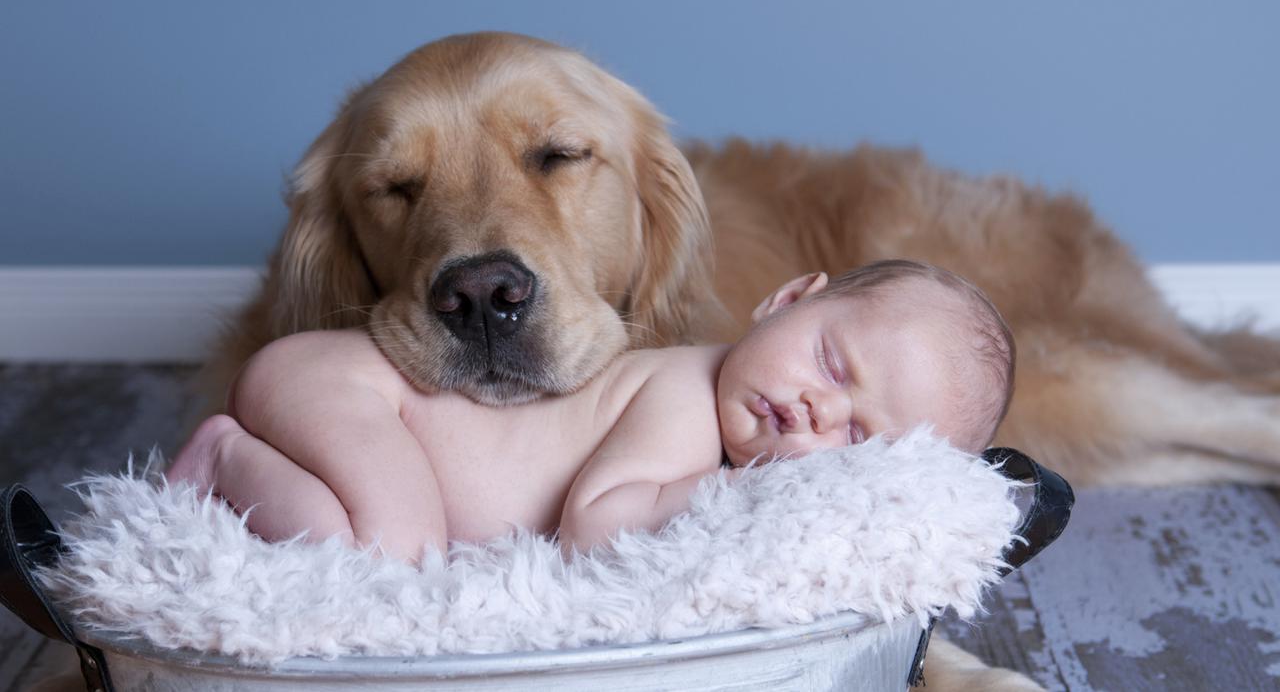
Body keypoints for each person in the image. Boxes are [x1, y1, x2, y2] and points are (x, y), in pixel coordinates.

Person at [167, 259, 1015, 562]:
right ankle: (220, 458)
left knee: (365, 539)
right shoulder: (686, 395)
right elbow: (596, 524)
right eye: (831, 360)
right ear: (787, 298)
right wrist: (751, 494)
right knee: (396, 551)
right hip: (355, 388)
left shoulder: (728, 423)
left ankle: (240, 460)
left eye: (856, 436)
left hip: (353, 403)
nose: (812, 409)